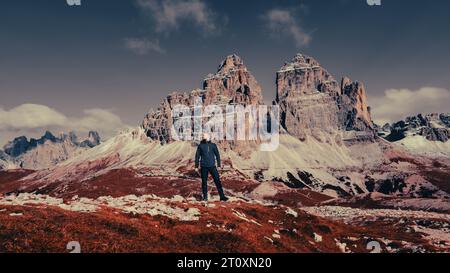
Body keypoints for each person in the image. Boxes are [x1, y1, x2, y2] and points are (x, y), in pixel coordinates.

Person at [195, 133, 228, 202]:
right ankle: (205, 197)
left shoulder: (213, 145)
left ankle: (222, 196)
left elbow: (217, 155)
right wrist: (196, 166)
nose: (202, 136)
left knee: (217, 181)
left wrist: (219, 165)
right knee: (204, 182)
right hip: (204, 166)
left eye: (204, 135)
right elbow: (197, 156)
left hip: (212, 166)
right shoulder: (200, 146)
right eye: (202, 135)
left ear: (208, 137)